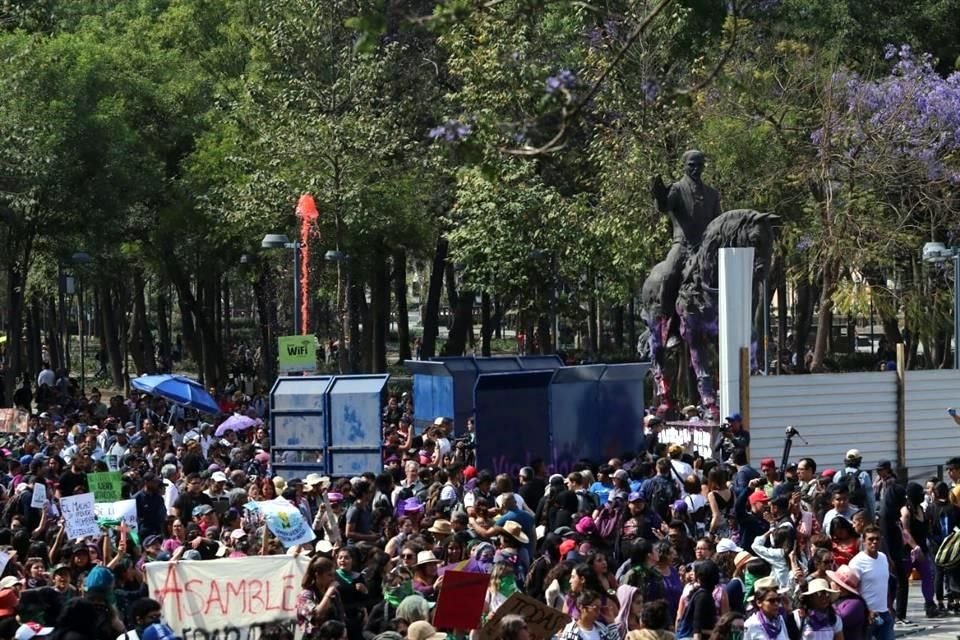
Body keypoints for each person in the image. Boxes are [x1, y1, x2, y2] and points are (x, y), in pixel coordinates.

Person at [649, 150, 723, 349]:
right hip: (682, 246)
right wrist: (658, 193)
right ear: (684, 166)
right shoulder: (677, 189)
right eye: (691, 165)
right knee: (668, 274)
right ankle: (668, 326)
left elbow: (718, 222)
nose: (695, 169)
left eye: (699, 165)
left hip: (706, 248)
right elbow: (664, 207)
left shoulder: (712, 194)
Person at [848, 526, 893, 640]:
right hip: (866, 616)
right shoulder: (856, 562)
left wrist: (889, 606)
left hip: (884, 613)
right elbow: (851, 591)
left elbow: (885, 584)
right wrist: (866, 610)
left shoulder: (883, 557)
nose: (874, 542)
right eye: (871, 539)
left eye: (877, 539)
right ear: (863, 540)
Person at [557, 590, 621, 640]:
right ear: (582, 608)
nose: (598, 612)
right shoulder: (569, 633)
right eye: (596, 608)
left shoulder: (602, 628)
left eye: (600, 608)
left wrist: (611, 623)